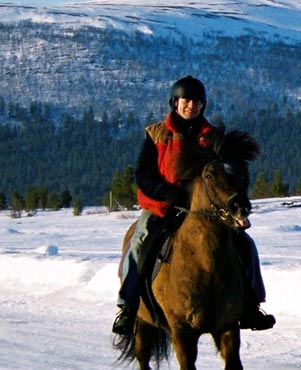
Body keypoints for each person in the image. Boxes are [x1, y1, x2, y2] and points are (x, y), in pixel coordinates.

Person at [112, 75, 275, 335]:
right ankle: (128, 308)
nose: (192, 106)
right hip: (162, 207)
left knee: (245, 245)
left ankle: (251, 306)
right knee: (139, 242)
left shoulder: (213, 138)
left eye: (197, 102)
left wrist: (233, 198)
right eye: (186, 101)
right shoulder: (156, 134)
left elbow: (230, 173)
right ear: (175, 103)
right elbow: (143, 174)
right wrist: (166, 193)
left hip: (206, 210)